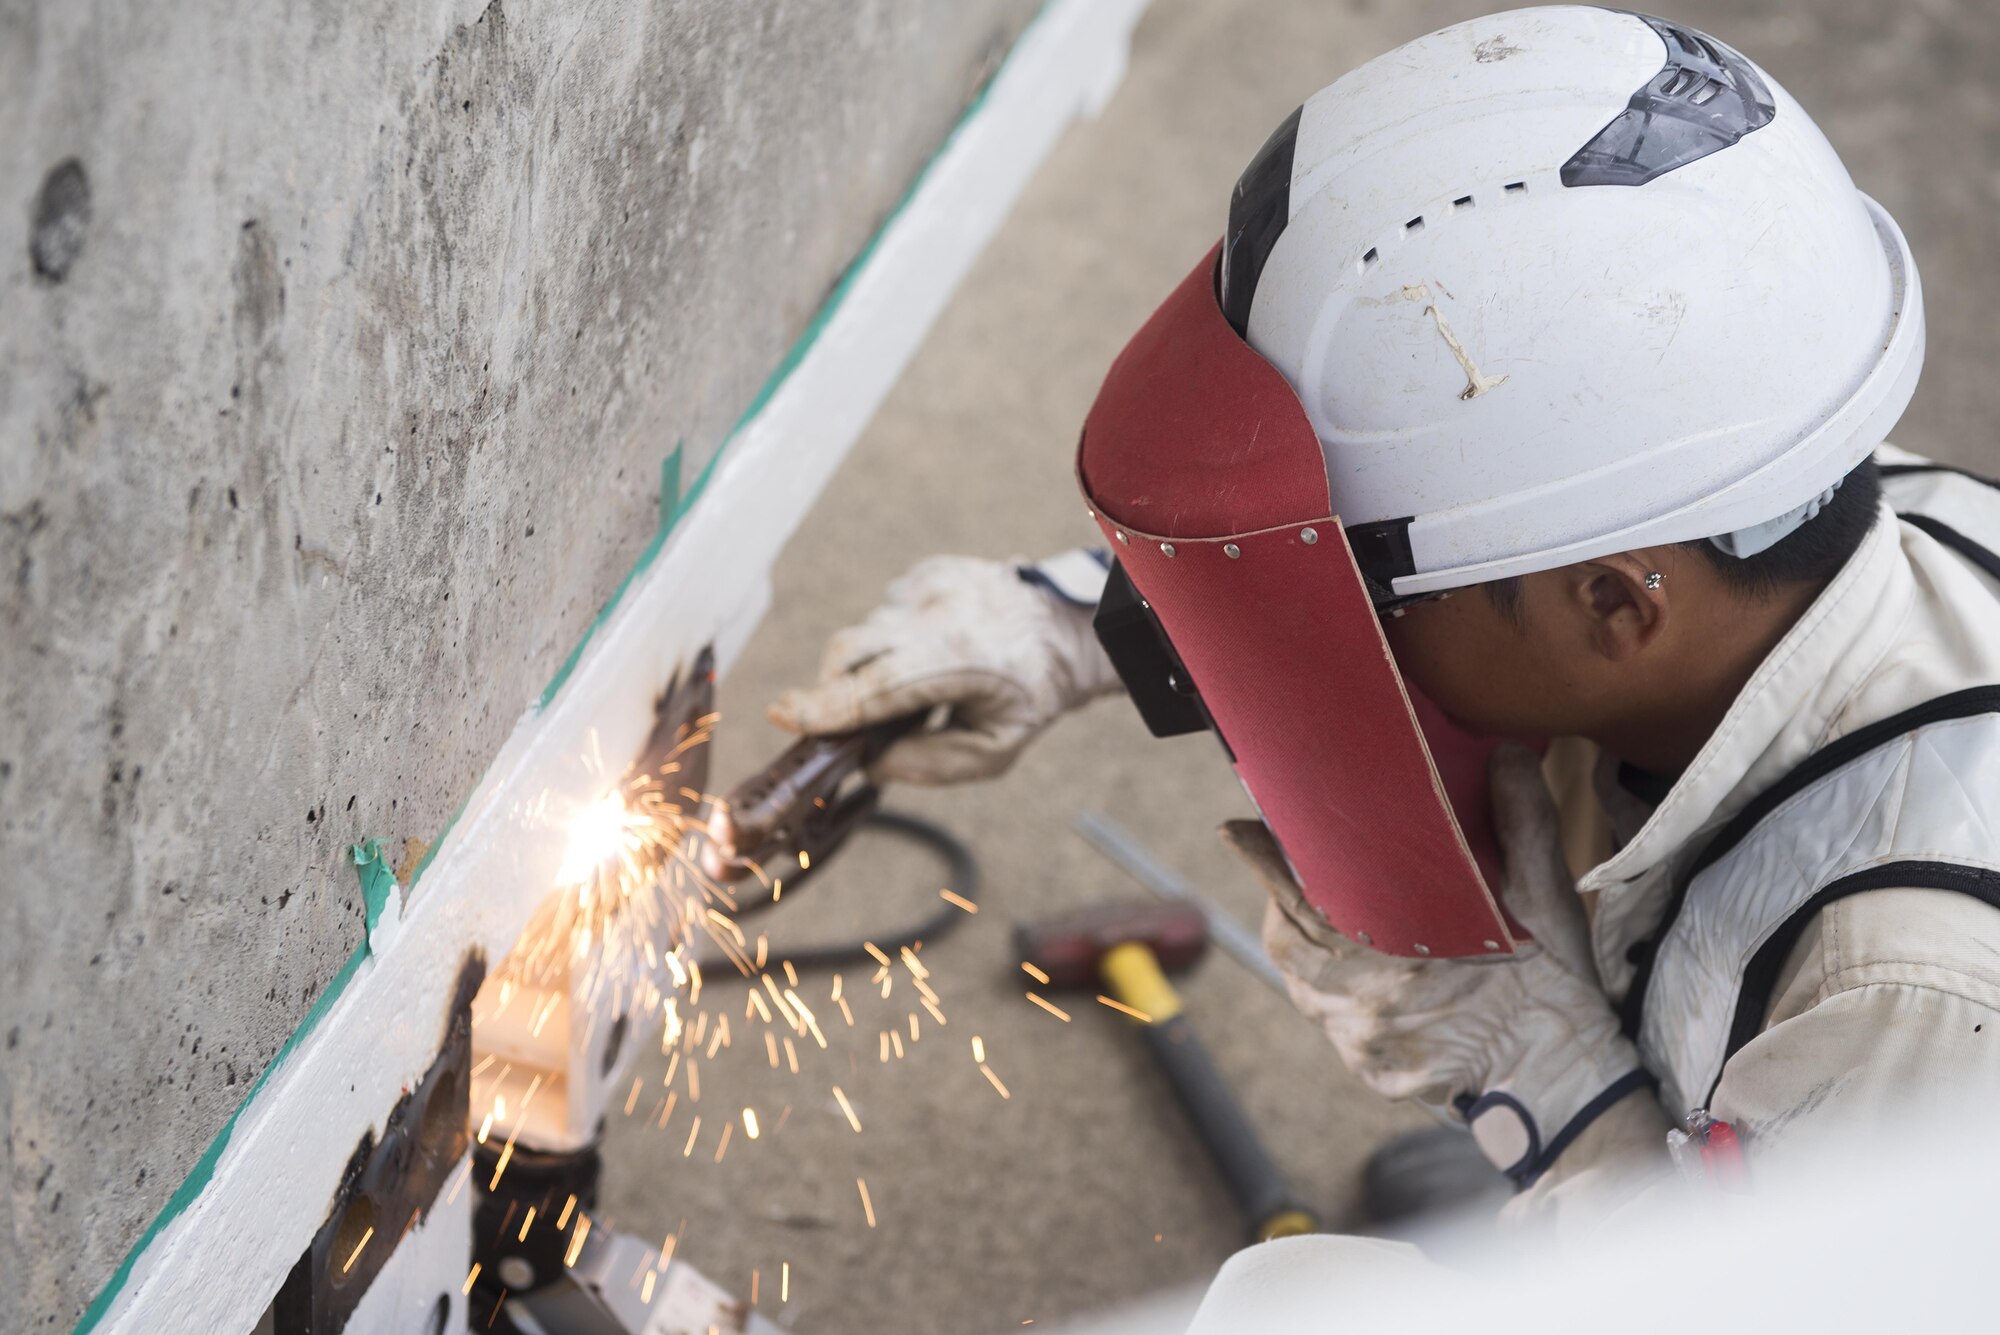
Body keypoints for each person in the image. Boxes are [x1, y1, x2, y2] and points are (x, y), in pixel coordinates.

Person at [771, 6, 2000, 1238]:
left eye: (1367, 593)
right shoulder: (1734, 483)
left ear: (1616, 607)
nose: (1329, 614)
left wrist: (1551, 1087)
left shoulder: (1899, 1001)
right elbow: (1406, 529)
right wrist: (1057, 623)